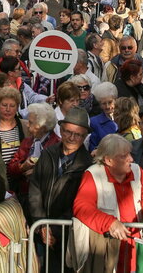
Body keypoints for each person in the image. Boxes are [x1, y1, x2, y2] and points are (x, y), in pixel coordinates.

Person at [70, 135, 143, 273]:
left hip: (135, 247)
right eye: (124, 156)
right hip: (107, 249)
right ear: (109, 160)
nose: (131, 159)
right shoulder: (92, 174)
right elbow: (82, 207)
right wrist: (110, 223)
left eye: (130, 154)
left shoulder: (137, 171)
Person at [28, 107, 93, 271]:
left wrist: (54, 230)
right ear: (61, 130)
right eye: (68, 132)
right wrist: (41, 223)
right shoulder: (48, 153)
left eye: (77, 134)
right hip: (42, 229)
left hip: (69, 235)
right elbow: (35, 189)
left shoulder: (87, 165)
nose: (71, 138)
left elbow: (80, 203)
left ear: (84, 136)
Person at [0, 87, 27, 164]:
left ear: (17, 107)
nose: (8, 109)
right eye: (4, 105)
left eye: (12, 106)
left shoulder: (26, 127)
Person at [87, 82, 118, 151]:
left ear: (115, 100)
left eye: (110, 102)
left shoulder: (122, 119)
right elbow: (92, 147)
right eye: (103, 103)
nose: (107, 107)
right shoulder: (94, 122)